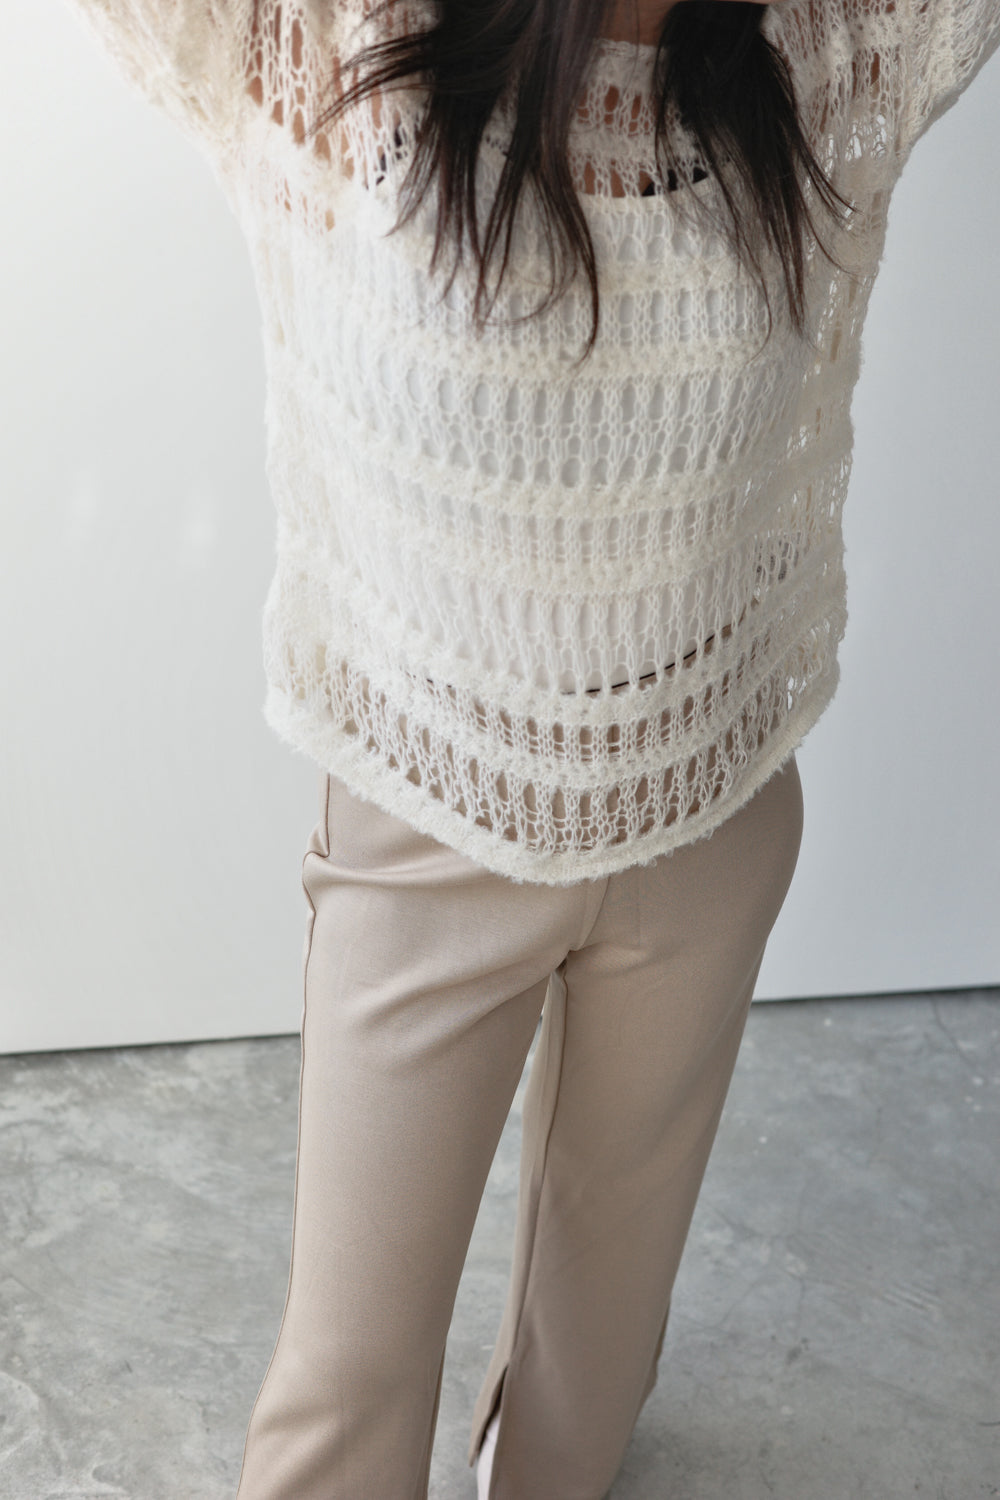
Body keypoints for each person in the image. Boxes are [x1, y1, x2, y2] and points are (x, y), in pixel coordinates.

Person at [61, 1, 1000, 1496]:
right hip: (430, 835)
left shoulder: (822, 55)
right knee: (347, 1393)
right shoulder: (329, 33)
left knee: (588, 1382)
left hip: (707, 818)